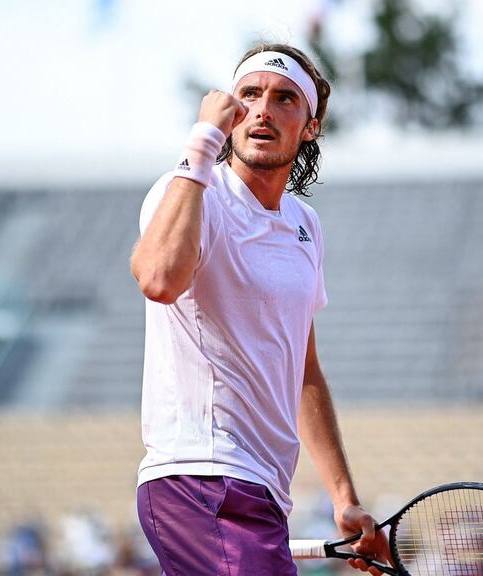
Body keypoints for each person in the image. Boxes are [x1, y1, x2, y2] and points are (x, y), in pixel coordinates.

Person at [130, 42, 389, 575]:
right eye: (249, 94)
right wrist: (201, 142)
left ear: (310, 127)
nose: (263, 109)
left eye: (284, 98)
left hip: (264, 489)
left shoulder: (304, 225)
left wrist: (344, 497)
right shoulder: (190, 190)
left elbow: (304, 370)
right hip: (199, 476)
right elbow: (157, 279)